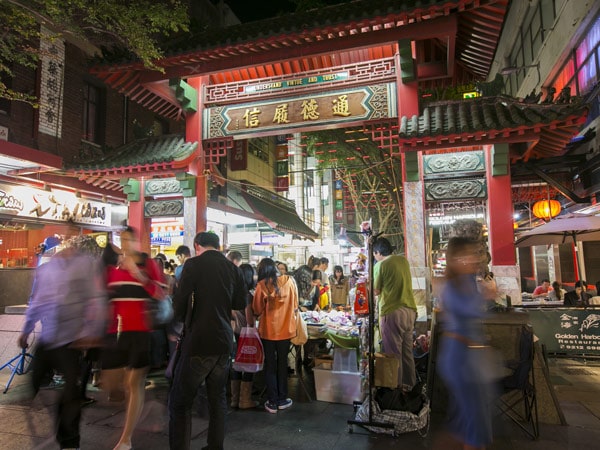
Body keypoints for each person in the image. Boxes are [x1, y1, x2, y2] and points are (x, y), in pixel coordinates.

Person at [18, 235, 106, 450]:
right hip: (49, 338)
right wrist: (26, 330)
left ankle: (69, 440)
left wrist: (90, 331)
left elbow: (96, 300)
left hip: (71, 340)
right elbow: (39, 301)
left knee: (70, 394)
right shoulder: (48, 270)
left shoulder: (85, 268)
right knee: (35, 380)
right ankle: (42, 405)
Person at [168, 232, 246, 450]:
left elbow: (180, 302)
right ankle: (215, 446)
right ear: (218, 246)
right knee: (217, 400)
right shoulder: (233, 268)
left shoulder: (193, 265)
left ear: (197, 246)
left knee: (181, 402)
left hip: (199, 341)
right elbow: (240, 302)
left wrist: (177, 323)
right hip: (224, 342)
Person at [101, 226, 166, 450]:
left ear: (136, 241)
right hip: (119, 333)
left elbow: (161, 294)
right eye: (122, 239)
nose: (125, 244)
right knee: (112, 385)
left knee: (133, 383)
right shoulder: (114, 270)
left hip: (142, 331)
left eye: (129, 239)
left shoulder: (148, 265)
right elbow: (110, 303)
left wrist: (139, 275)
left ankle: (126, 439)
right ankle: (152, 409)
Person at [437, 236, 495, 450]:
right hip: (458, 356)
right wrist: (486, 297)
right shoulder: (451, 286)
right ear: (453, 259)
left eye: (472, 254)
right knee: (474, 420)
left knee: (470, 418)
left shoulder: (467, 280)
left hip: (470, 356)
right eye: (464, 255)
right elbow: (469, 310)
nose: (470, 259)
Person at [252, 257, 298, 413]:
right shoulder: (290, 281)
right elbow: (295, 304)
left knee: (270, 365)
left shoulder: (262, 285)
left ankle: (272, 402)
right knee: (282, 363)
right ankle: (283, 399)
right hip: (286, 330)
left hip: (268, 332)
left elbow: (257, 309)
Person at [373, 237, 417, 391]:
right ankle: (411, 389)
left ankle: (396, 393)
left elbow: (376, 290)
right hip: (410, 311)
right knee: (407, 354)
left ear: (378, 252)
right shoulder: (403, 261)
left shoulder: (381, 264)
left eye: (374, 254)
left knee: (394, 356)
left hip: (392, 312)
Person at [230, 263, 259, 409]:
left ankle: (235, 399)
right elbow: (249, 319)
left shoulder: (232, 291)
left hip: (236, 330)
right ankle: (245, 400)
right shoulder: (247, 294)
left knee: (237, 364)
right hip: (246, 332)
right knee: (248, 364)